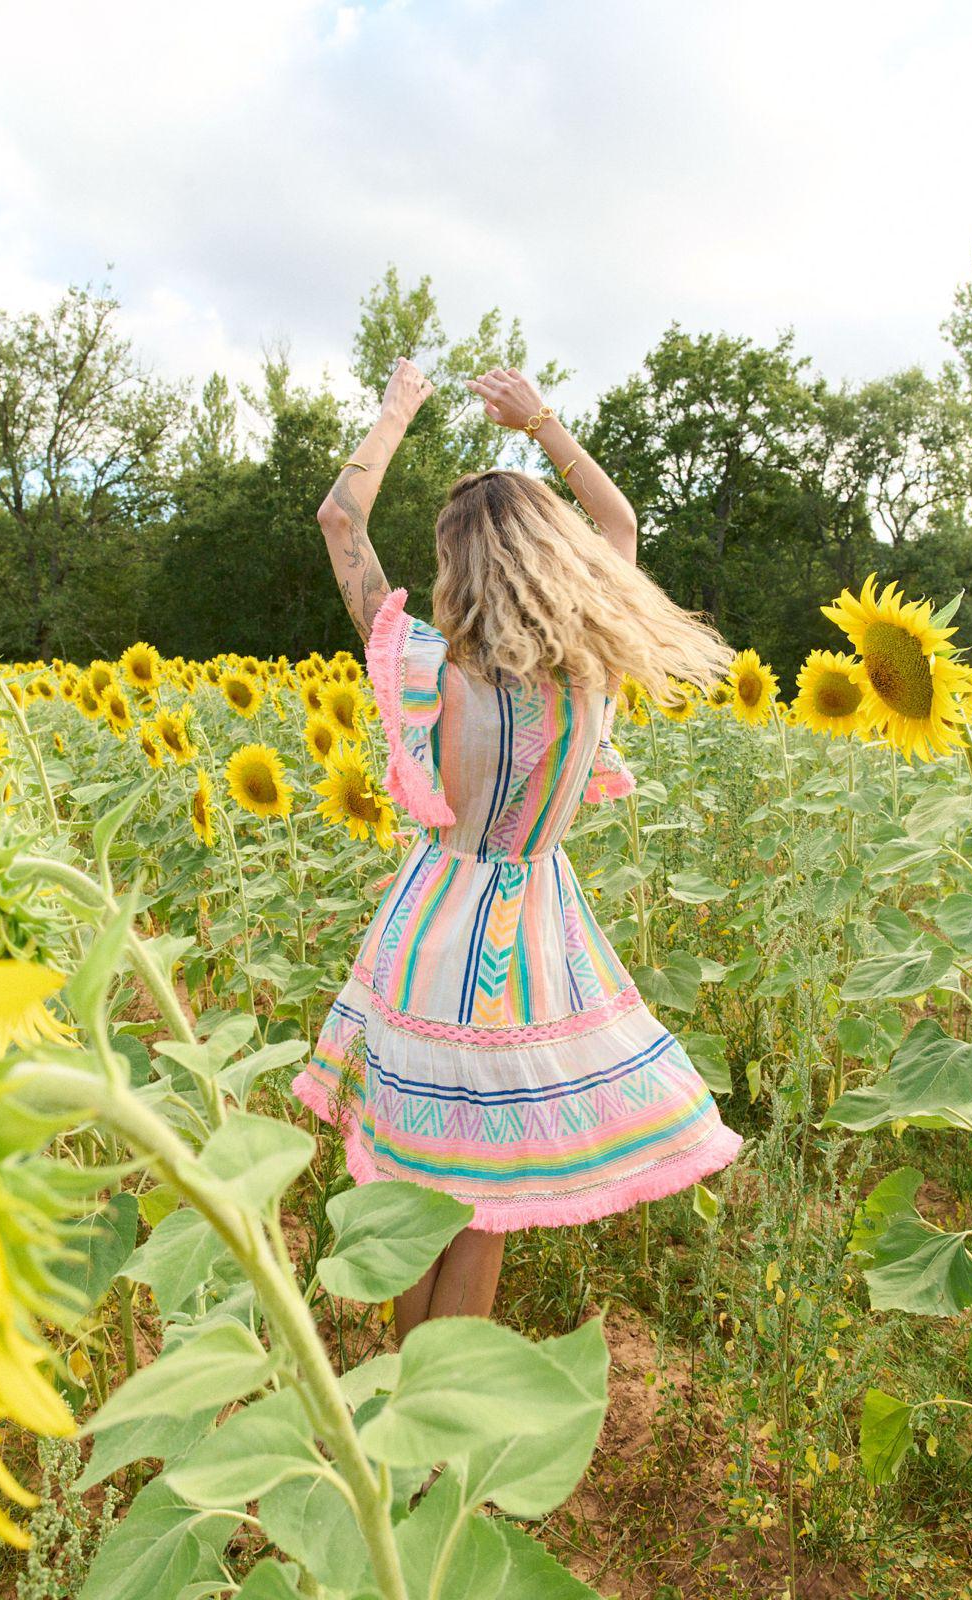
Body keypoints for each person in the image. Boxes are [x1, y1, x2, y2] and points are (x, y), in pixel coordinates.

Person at [291, 357, 744, 1342]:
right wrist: (537, 420)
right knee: (484, 1199)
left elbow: (338, 520)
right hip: (537, 942)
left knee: (416, 1196)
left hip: (432, 935)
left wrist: (397, 406)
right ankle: (445, 1418)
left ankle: (405, 1405)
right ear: (553, 558)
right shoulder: (591, 673)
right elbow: (617, 526)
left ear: (459, 564)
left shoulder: (422, 666)